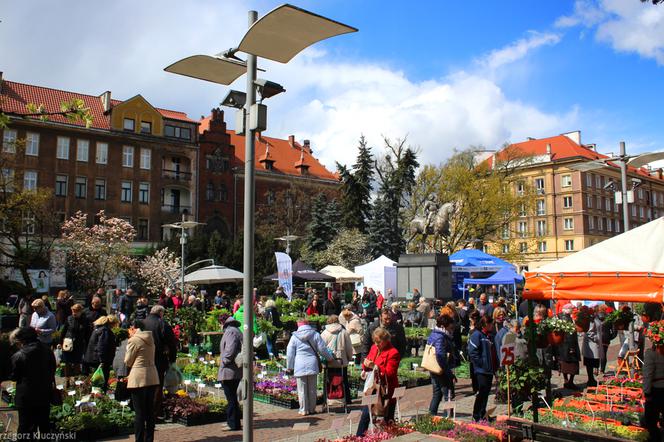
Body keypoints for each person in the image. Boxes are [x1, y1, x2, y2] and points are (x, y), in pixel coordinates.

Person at [10, 327, 56, 440]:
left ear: (22, 340)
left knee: (25, 427)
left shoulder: (19, 355)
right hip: (44, 394)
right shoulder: (48, 351)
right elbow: (52, 370)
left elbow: (14, 376)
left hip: (26, 396)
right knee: (44, 425)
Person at [356, 327, 401, 436]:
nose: (376, 344)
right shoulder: (374, 348)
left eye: (379, 342)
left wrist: (375, 367)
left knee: (388, 417)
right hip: (372, 388)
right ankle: (359, 437)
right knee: (366, 414)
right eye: (375, 341)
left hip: (386, 390)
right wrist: (365, 367)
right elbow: (368, 362)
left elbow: (390, 373)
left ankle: (390, 436)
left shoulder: (393, 353)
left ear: (386, 340)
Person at [286, 318, 334, 415]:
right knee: (312, 388)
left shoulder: (294, 337)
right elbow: (322, 349)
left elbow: (290, 353)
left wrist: (289, 366)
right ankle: (312, 409)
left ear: (298, 325)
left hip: (299, 364)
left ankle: (304, 409)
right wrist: (330, 358)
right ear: (308, 324)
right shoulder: (315, 334)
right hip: (312, 362)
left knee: (301, 389)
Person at [125, 319, 160, 442]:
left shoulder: (134, 340)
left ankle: (139, 440)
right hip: (151, 376)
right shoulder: (150, 339)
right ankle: (149, 439)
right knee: (149, 411)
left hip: (138, 377)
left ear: (134, 328)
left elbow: (128, 361)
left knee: (139, 413)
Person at [143, 305, 177, 417]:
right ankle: (155, 412)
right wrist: (172, 359)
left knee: (145, 384)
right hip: (158, 358)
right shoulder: (162, 323)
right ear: (160, 313)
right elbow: (172, 342)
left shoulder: (143, 322)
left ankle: (145, 410)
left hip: (143, 359)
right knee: (157, 384)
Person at [468, 315, 498, 422]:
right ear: (486, 324)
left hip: (489, 369)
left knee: (486, 393)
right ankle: (476, 415)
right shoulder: (477, 335)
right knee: (481, 393)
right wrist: (481, 363)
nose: (492, 326)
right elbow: (472, 352)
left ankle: (483, 414)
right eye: (491, 324)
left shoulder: (489, 336)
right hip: (481, 370)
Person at [428, 314, 457, 416]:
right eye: (450, 326)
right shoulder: (441, 337)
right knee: (448, 394)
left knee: (437, 393)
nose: (451, 329)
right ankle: (448, 416)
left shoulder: (434, 334)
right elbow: (440, 355)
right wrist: (448, 372)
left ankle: (432, 415)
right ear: (444, 326)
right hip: (441, 369)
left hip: (433, 368)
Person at [321, 315, 354, 402]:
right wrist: (349, 357)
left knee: (328, 380)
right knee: (344, 380)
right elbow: (349, 348)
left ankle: (326, 399)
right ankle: (346, 399)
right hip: (341, 361)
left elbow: (321, 348)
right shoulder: (344, 332)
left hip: (329, 361)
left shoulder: (324, 333)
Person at [218, 316, 243, 431]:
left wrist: (224, 361)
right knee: (232, 397)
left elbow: (230, 349)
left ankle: (232, 423)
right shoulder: (235, 330)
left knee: (231, 397)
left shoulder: (230, 332)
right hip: (233, 370)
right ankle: (233, 422)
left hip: (230, 370)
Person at [83, 315, 117, 391]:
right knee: (101, 380)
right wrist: (102, 361)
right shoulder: (105, 331)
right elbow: (102, 346)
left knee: (96, 378)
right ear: (112, 323)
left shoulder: (97, 329)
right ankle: (100, 395)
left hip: (93, 358)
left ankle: (94, 393)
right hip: (100, 360)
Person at [60, 303, 89, 387]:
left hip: (79, 344)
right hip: (68, 343)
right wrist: (60, 342)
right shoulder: (69, 318)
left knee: (77, 363)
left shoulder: (85, 320)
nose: (74, 313)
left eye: (76, 311)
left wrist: (87, 345)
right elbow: (63, 331)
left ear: (80, 311)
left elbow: (87, 334)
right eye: (73, 311)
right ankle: (67, 381)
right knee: (67, 363)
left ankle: (76, 382)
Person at [642, 339, 664, 442]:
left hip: (656, 391)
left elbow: (648, 375)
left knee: (651, 422)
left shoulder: (651, 353)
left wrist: (646, 392)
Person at [558, 304, 581, 390]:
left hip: (562, 346)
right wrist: (572, 348)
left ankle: (566, 380)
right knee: (572, 366)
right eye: (572, 309)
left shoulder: (560, 317)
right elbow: (570, 334)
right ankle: (570, 382)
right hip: (569, 346)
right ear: (568, 310)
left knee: (564, 363)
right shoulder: (567, 318)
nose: (573, 310)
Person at [582, 308, 603, 387]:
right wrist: (596, 338)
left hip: (595, 345)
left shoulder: (596, 318)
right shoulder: (591, 320)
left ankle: (592, 379)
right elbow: (589, 332)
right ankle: (590, 379)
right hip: (591, 345)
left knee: (593, 362)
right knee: (590, 362)